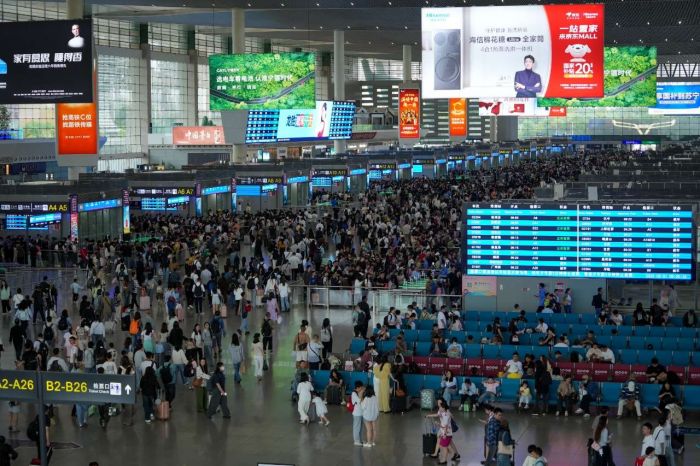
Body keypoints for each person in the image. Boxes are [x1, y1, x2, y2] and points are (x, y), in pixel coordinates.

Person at [426, 397, 460, 463]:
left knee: (444, 444)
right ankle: (455, 454)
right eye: (438, 402)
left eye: (440, 402)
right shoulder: (441, 409)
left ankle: (447, 455)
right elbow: (438, 415)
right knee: (448, 442)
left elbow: (448, 420)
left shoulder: (446, 411)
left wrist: (444, 432)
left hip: (445, 429)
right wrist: (429, 415)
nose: (438, 404)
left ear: (443, 403)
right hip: (443, 428)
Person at [351, 381, 365, 446]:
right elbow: (360, 401)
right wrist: (361, 393)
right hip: (357, 413)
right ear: (358, 387)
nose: (362, 389)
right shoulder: (354, 393)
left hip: (361, 413)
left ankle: (360, 440)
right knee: (356, 427)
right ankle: (356, 441)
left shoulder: (359, 392)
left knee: (361, 427)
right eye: (361, 387)